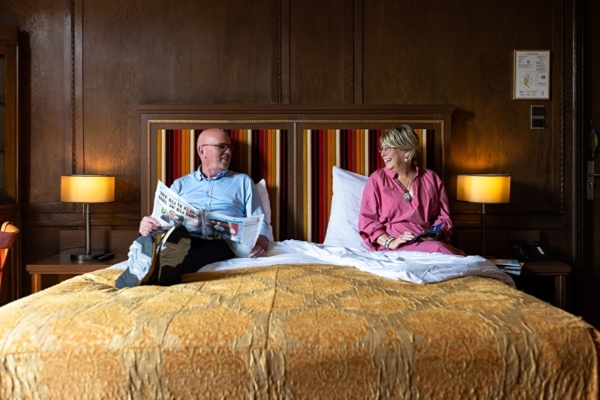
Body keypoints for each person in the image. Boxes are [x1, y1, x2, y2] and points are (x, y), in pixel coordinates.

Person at [116, 128, 269, 288]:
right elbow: (161, 218)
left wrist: (261, 244)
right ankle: (150, 256)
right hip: (181, 235)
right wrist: (148, 227)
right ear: (202, 151)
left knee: (196, 256)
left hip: (220, 240)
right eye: (222, 147)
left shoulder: (242, 181)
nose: (228, 151)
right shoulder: (181, 184)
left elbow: (260, 220)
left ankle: (154, 268)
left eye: (230, 147)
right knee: (165, 238)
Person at [358, 125, 465, 255]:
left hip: (427, 243)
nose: (382, 153)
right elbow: (368, 221)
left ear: (407, 151)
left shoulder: (430, 178)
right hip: (396, 247)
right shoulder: (377, 179)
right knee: (443, 251)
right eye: (382, 148)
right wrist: (390, 242)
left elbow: (443, 218)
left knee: (440, 249)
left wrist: (435, 233)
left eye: (388, 148)